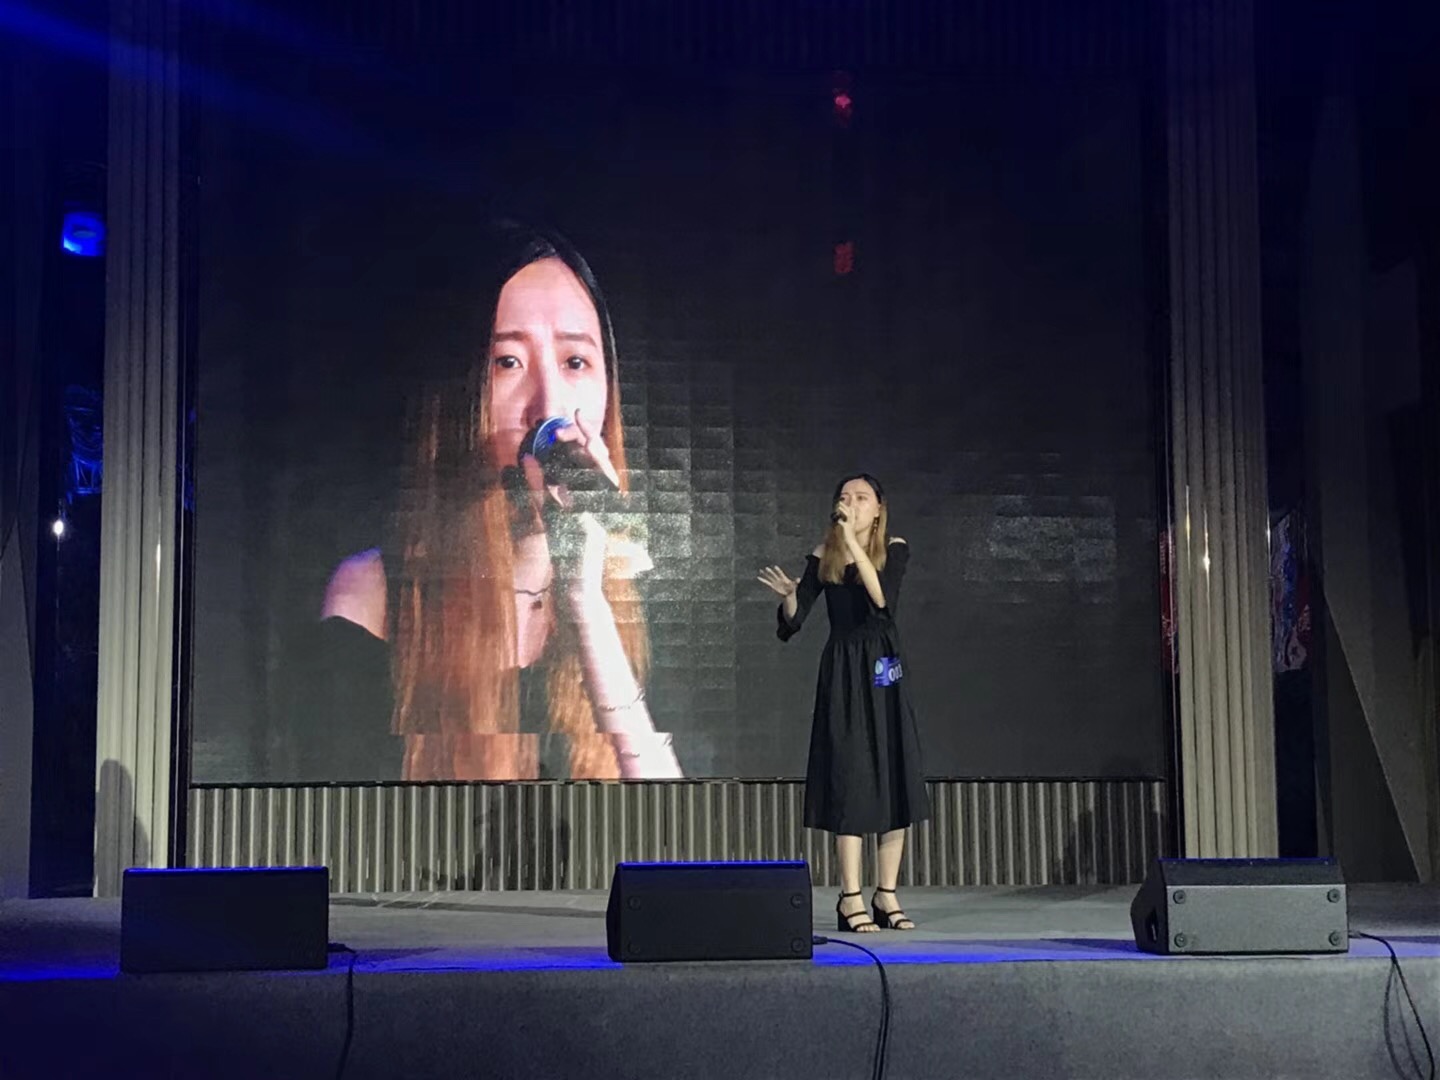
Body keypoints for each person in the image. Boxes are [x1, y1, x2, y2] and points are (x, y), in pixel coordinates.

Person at [319, 222, 680, 781]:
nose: (548, 406)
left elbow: (674, 824)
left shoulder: (645, 599)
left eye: (575, 362)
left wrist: (587, 606)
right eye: (508, 362)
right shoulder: (376, 595)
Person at [758, 474, 929, 931]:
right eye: (844, 497)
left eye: (861, 498)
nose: (851, 504)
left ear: (878, 509)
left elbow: (882, 598)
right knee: (850, 777)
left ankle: (886, 894)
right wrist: (791, 598)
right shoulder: (824, 555)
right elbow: (794, 621)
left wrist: (853, 542)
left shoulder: (894, 549)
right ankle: (850, 897)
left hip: (883, 666)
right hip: (844, 671)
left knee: (893, 775)